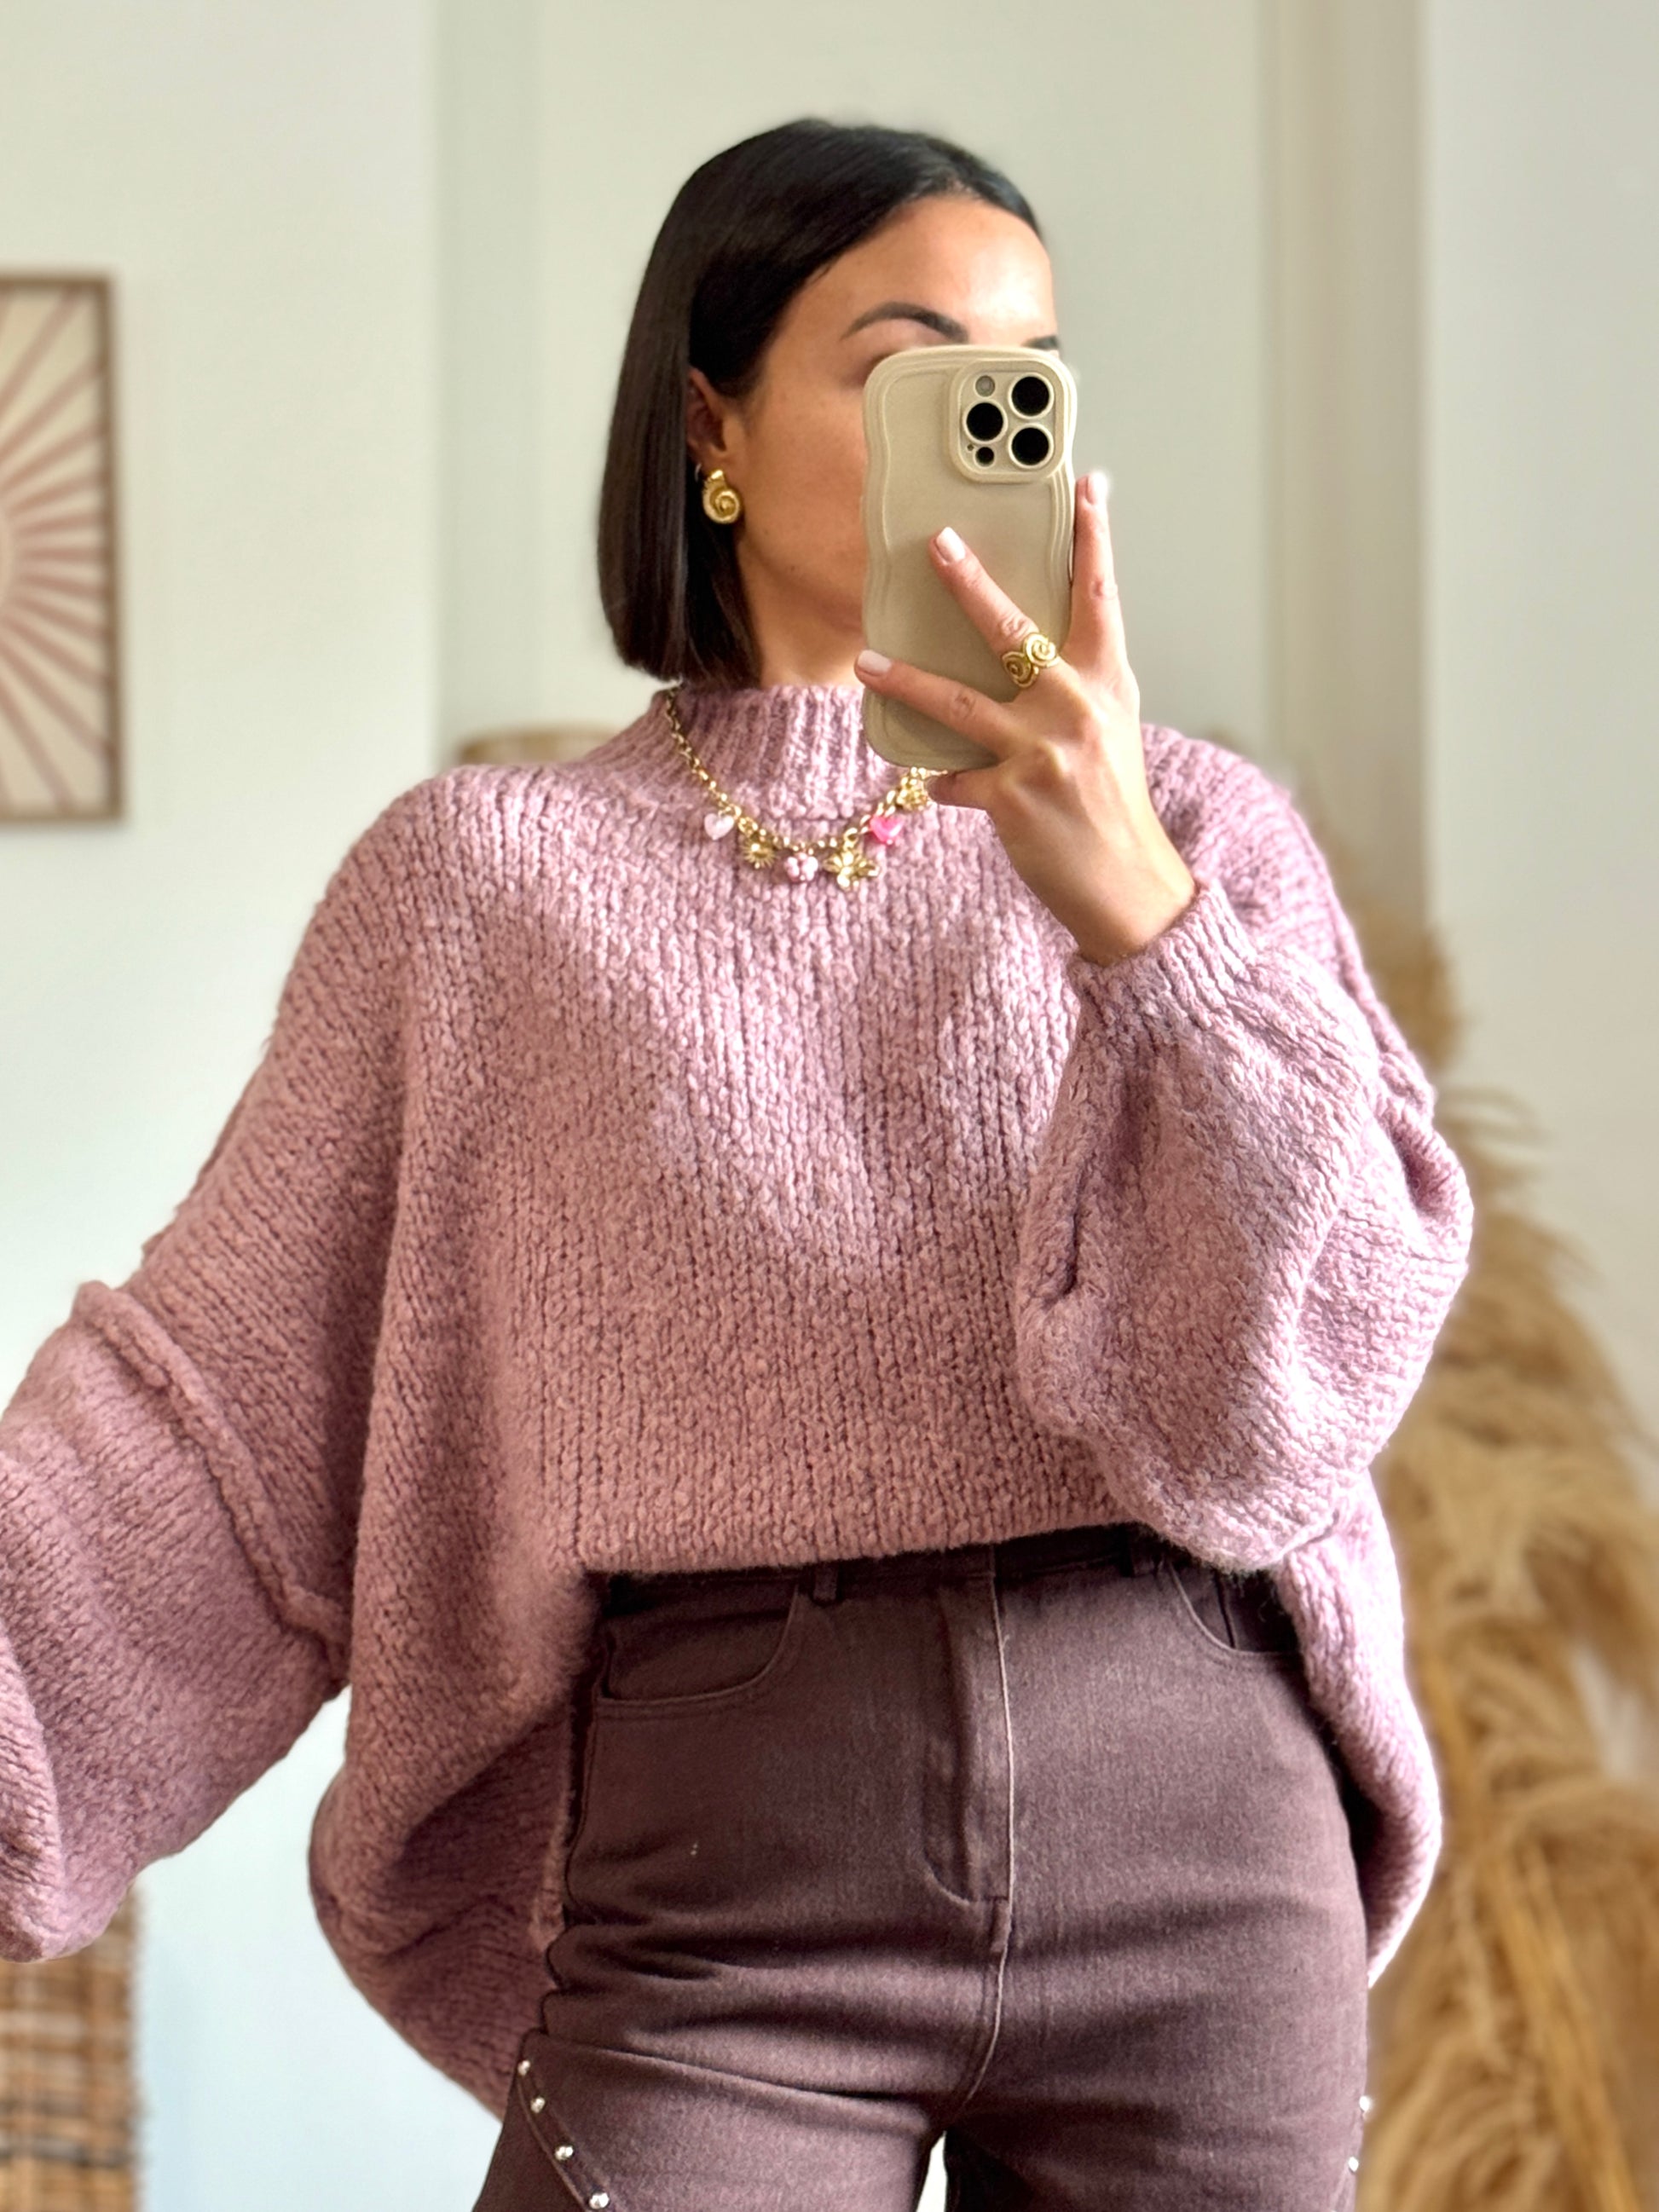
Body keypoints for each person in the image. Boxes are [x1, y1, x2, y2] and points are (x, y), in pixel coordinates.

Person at [0, 118, 1473, 2212]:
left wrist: (1143, 921)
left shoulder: (1200, 832)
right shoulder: (484, 886)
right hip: (728, 1883)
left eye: (1025, 375)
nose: (990, 423)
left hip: (1202, 1844)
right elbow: (224, 1408)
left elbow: (1311, 1373)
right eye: (911, 364)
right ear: (710, 420)